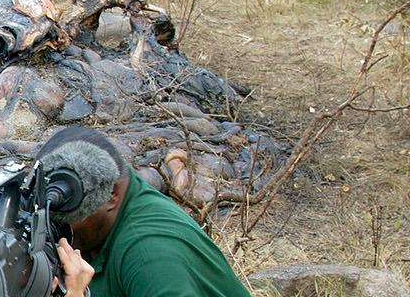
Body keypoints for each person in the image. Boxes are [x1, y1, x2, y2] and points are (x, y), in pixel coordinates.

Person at [36, 127, 251, 297]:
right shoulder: (110, 209)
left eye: (69, 214)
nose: (57, 226)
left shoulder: (151, 258)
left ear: (112, 194)